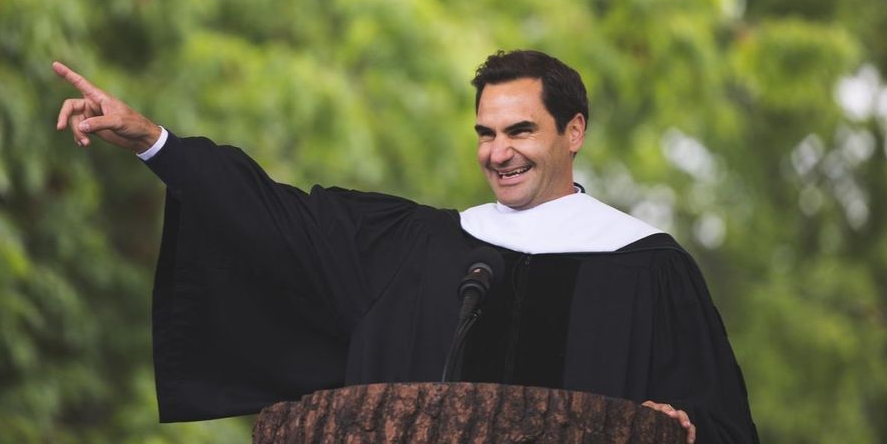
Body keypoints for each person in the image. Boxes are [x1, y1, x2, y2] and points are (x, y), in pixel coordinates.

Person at [54, 50, 759, 443]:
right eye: (486, 133)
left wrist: (680, 431)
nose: (499, 152)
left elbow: (720, 424)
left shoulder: (645, 268)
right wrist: (153, 141)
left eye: (520, 131)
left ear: (573, 132)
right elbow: (274, 219)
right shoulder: (418, 250)